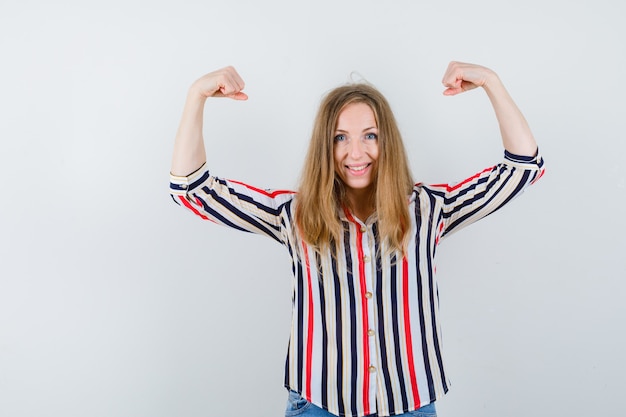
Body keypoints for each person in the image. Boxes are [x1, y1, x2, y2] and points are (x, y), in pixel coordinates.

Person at [169, 62, 545, 417]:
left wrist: (491, 81)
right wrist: (196, 94)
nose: (356, 152)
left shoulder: (429, 209)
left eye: (370, 136)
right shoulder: (293, 214)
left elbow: (524, 167)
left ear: (388, 142)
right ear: (325, 147)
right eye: (340, 138)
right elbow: (191, 190)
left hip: (409, 403)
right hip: (319, 403)